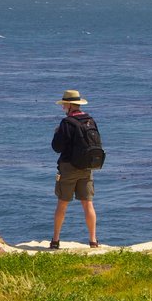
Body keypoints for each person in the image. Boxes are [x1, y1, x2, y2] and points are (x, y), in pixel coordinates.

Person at [50, 89, 99, 249]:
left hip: (69, 167)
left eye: (64, 104)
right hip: (87, 167)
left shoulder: (67, 123)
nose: (63, 107)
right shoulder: (90, 120)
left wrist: (57, 133)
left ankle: (55, 240)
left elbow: (57, 147)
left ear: (70, 105)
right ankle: (93, 241)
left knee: (62, 203)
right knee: (88, 204)